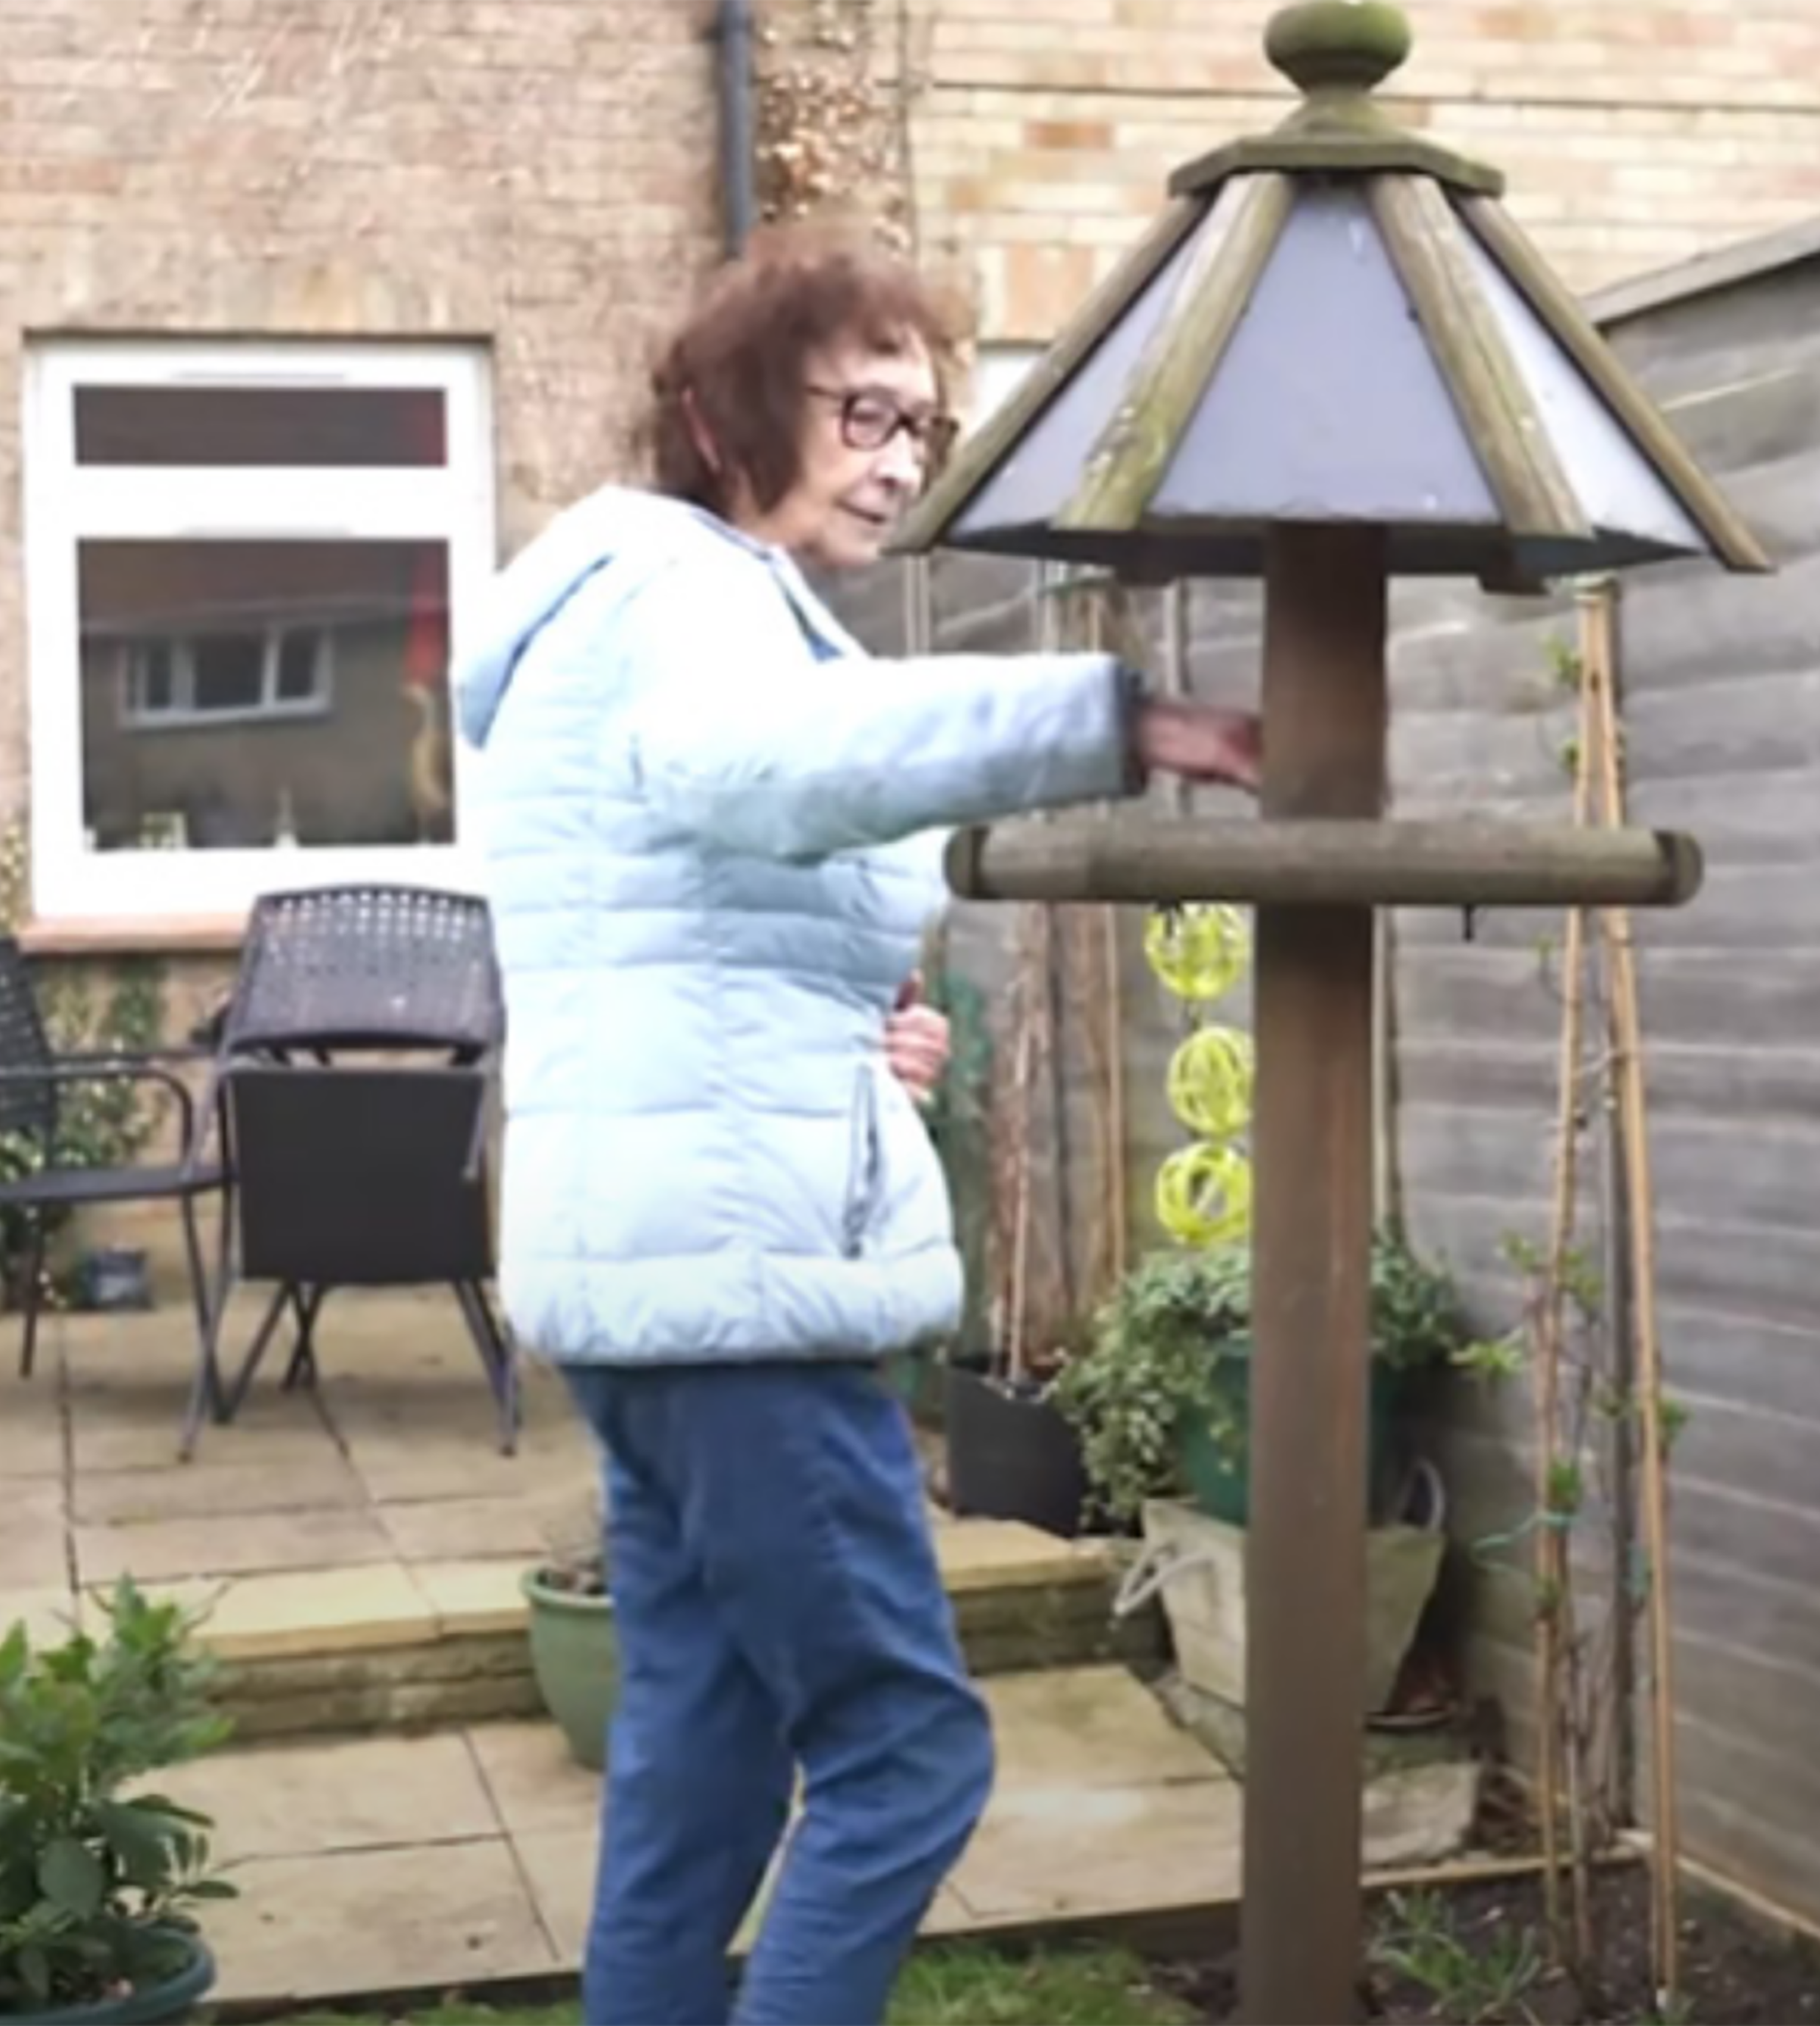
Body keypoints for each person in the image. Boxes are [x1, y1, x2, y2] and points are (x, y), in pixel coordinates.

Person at [447, 226, 1263, 2026]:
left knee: (702, 1763)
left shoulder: (621, 596)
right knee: (906, 1757)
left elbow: (693, 909)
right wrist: (1106, 719)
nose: (901, 457)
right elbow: (767, 762)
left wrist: (855, 1036)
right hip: (744, 1303)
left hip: (656, 1278)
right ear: (726, 414)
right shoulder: (687, 593)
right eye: (865, 410)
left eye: (927, 424)